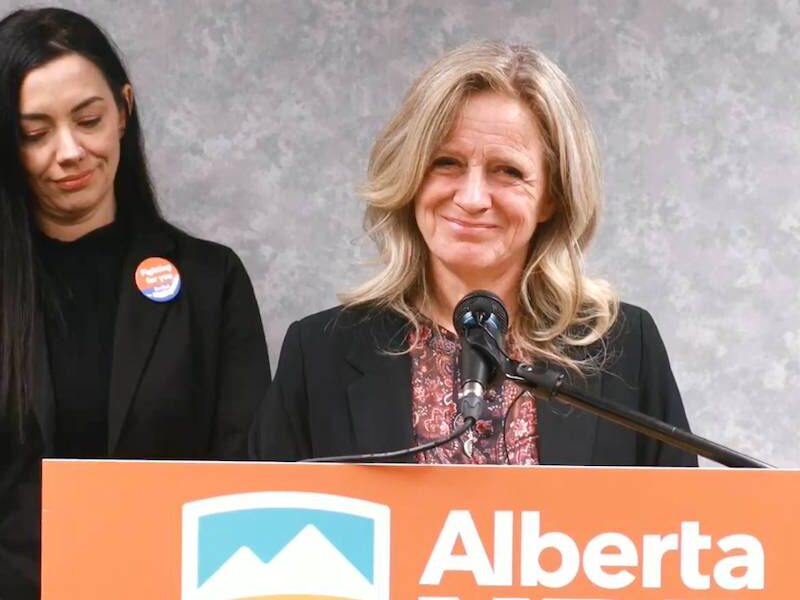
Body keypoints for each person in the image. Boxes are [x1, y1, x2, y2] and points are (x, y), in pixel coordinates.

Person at [250, 40, 696, 468]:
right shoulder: (321, 352)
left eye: (508, 171)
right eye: (447, 163)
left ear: (552, 197)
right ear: (411, 177)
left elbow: (681, 530)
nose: (473, 197)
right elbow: (260, 523)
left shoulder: (624, 346)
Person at [0, 8, 270, 598]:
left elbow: (245, 479)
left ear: (124, 110)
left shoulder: (210, 280)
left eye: (88, 119)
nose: (69, 152)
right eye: (35, 132)